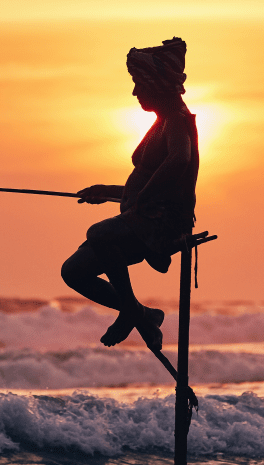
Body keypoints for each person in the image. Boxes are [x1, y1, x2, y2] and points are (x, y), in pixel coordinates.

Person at [61, 37, 199, 350]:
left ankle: (130, 313)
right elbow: (148, 185)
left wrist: (144, 197)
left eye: (140, 84)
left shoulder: (177, 120)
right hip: (142, 217)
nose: (136, 92)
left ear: (159, 85)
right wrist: (107, 191)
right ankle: (139, 312)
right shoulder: (161, 122)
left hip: (161, 223)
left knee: (99, 233)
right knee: (73, 271)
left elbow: (180, 159)